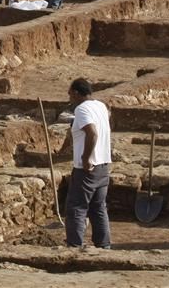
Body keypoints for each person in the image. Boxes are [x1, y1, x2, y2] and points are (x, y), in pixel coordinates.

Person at [65, 77, 111, 249]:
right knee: (98, 208)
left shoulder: (82, 109)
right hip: (103, 166)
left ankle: (74, 247)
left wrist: (86, 158)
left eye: (70, 94)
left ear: (76, 93)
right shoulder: (100, 106)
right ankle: (104, 246)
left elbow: (92, 133)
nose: (69, 98)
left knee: (76, 208)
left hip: (88, 169)